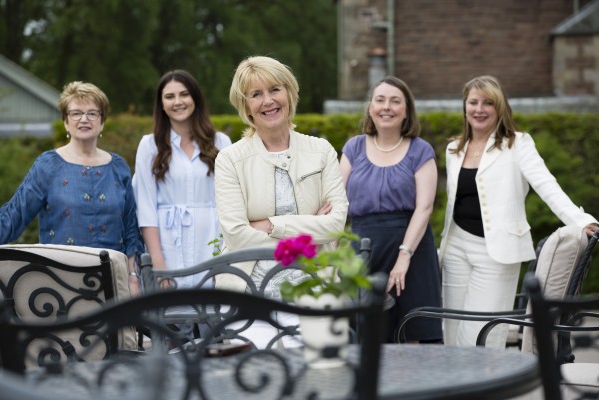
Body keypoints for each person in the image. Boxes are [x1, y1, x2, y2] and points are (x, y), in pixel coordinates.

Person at [438, 75, 599, 348]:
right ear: (464, 106)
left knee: (481, 335)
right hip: (455, 248)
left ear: (499, 108)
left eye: (488, 103)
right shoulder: (454, 148)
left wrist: (580, 219)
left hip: (497, 253)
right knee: (450, 331)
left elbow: (547, 185)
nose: (479, 109)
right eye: (473, 102)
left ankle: (486, 389)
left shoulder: (518, 143)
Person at [215, 55, 348, 348]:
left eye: (275, 89)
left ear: (289, 92)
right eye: (256, 94)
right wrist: (311, 229)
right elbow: (236, 235)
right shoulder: (230, 160)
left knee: (316, 383)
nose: (268, 101)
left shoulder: (321, 150)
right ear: (245, 105)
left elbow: (336, 223)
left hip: (315, 290)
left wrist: (271, 225)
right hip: (248, 294)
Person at [0, 81, 144, 295]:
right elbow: (14, 216)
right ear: (66, 122)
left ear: (102, 122)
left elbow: (131, 229)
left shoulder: (119, 167)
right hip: (60, 283)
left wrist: (134, 277)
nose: (84, 119)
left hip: (115, 280)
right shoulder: (48, 166)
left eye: (92, 113)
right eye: (76, 113)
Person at [340, 76, 442, 344]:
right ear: (370, 107)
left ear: (406, 111)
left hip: (411, 250)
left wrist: (404, 256)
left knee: (413, 335)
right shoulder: (353, 148)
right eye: (380, 100)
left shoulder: (420, 150)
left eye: (395, 101)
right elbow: (336, 201)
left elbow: (425, 207)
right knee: (366, 334)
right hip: (363, 251)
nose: (387, 107)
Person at [133, 70, 231, 293]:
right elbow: (146, 207)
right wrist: (158, 263)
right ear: (161, 103)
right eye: (169, 96)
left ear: (195, 98)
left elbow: (230, 202)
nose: (178, 102)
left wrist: (226, 258)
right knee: (172, 319)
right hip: (167, 246)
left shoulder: (221, 142)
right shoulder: (150, 146)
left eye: (184, 94)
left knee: (215, 318)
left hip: (211, 240)